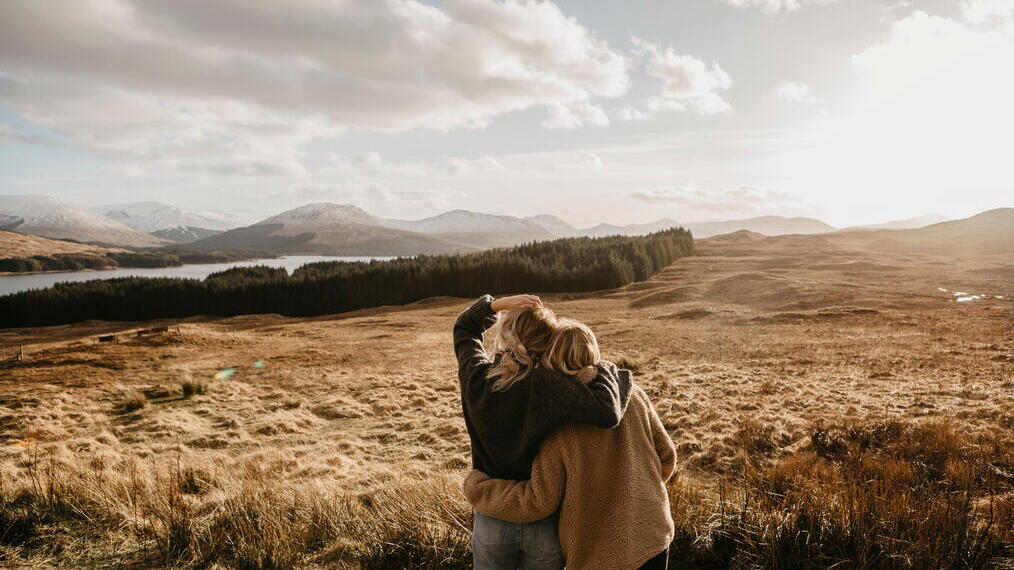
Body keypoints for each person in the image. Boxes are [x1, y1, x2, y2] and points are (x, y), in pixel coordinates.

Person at [463, 319, 677, 570]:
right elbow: (667, 457)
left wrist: (478, 488)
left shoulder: (559, 420)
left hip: (599, 556)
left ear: (552, 358)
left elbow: (538, 501)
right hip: (653, 534)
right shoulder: (632, 393)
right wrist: (637, 494)